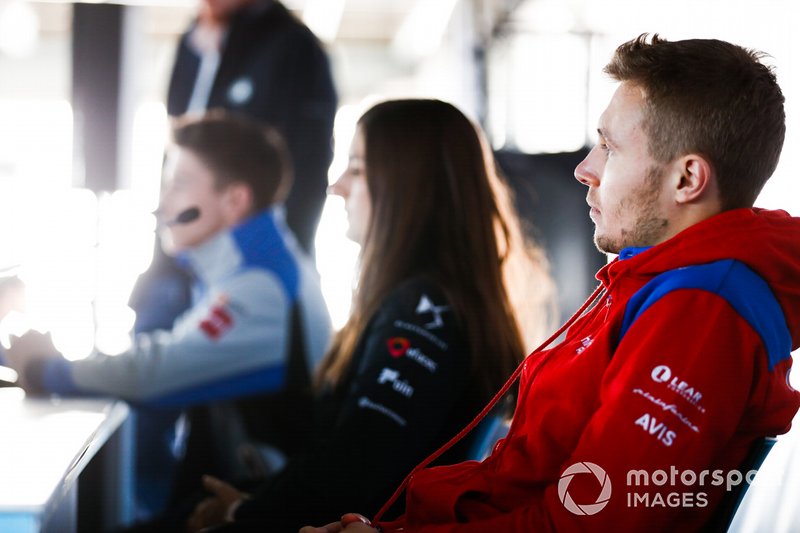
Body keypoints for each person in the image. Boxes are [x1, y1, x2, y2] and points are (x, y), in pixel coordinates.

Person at [300, 34, 800, 533]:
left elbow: (591, 525)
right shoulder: (655, 282)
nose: (585, 169)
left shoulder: (702, 312)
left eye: (609, 147)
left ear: (688, 180)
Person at [159, 99, 554, 533]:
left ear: (409, 187)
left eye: (358, 169)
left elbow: (352, 473)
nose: (337, 186)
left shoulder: (423, 311)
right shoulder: (432, 302)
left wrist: (242, 512)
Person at [5, 111, 332, 513]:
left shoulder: (260, 288)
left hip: (271, 512)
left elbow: (157, 371)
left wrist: (46, 369)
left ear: (235, 200)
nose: (162, 204)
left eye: (177, 185)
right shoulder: (253, 270)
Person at [167, 0, 336, 255]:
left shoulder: (293, 46)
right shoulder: (194, 40)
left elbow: (308, 163)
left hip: (252, 247)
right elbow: (177, 134)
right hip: (190, 246)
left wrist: (282, 250)